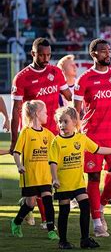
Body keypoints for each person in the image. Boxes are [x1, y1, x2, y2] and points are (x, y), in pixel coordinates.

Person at [10, 38, 71, 229]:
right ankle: (46, 220)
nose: (46, 58)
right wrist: (14, 140)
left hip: (54, 133)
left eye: (49, 55)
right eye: (42, 55)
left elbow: (69, 96)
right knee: (41, 178)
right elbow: (16, 111)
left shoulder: (56, 72)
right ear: (33, 54)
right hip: (33, 134)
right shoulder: (22, 77)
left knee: (52, 176)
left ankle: (29, 205)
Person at [74, 39, 111, 238]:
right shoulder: (85, 79)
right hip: (91, 136)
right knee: (94, 176)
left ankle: (101, 206)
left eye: (109, 50)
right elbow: (76, 112)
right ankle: (96, 222)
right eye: (103, 51)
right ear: (93, 54)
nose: (108, 53)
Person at [49, 107, 111, 249]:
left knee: (85, 207)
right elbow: (53, 162)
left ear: (75, 122)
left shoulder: (81, 138)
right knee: (64, 211)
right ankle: (63, 241)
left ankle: (85, 239)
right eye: (59, 122)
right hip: (63, 184)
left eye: (65, 121)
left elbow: (98, 149)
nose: (62, 125)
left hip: (78, 183)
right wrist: (55, 179)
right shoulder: (56, 142)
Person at [11, 100, 59, 240]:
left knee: (48, 201)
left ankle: (51, 230)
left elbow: (57, 147)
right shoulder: (26, 132)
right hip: (30, 175)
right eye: (45, 112)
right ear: (37, 114)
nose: (47, 115)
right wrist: (20, 166)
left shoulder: (48, 134)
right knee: (30, 203)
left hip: (45, 175)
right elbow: (16, 152)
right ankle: (16, 222)